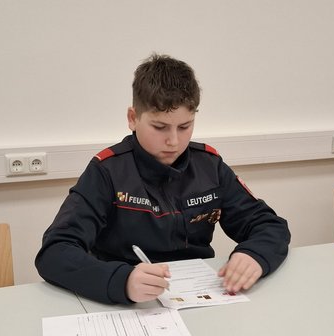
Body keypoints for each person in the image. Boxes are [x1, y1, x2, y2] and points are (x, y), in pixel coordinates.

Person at [35, 53, 290, 304]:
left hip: (198, 297)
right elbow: (54, 253)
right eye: (159, 127)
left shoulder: (209, 166)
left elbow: (269, 225)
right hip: (129, 304)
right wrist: (122, 281)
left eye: (185, 126)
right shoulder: (107, 171)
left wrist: (254, 255)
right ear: (133, 118)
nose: (174, 141)